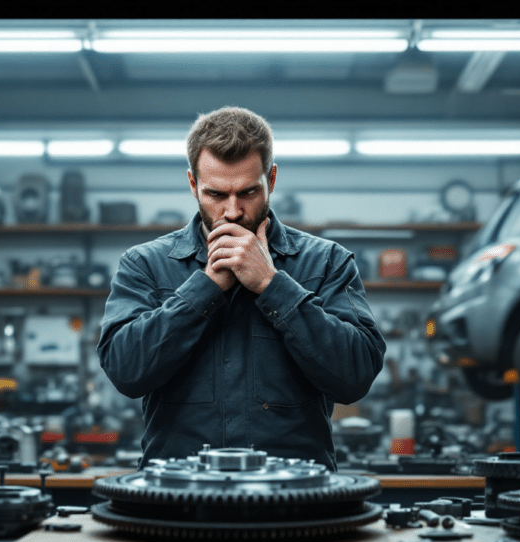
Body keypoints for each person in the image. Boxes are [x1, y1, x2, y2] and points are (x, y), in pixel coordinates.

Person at [97, 106, 386, 470]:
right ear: (192, 185)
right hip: (179, 503)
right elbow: (125, 371)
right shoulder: (145, 265)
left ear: (272, 179)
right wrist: (206, 286)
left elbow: (355, 377)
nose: (232, 212)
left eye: (248, 192)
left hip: (294, 504)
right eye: (216, 195)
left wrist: (271, 284)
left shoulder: (327, 262)